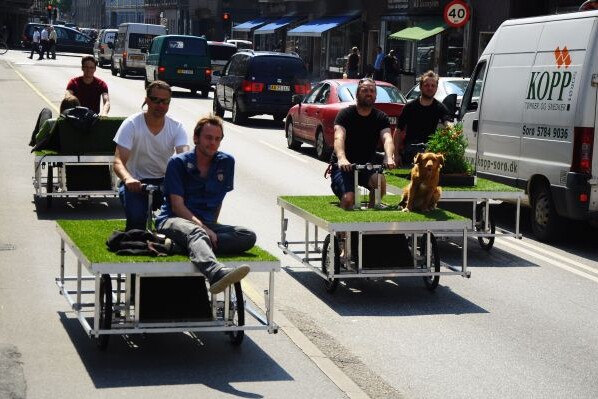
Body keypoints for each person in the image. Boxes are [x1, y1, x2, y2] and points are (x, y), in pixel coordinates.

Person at [155, 114, 255, 295]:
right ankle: (215, 273)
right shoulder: (178, 162)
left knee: (247, 235)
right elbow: (177, 206)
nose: (213, 143)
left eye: (217, 139)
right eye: (208, 138)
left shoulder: (226, 162)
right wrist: (205, 230)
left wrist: (212, 228)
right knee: (197, 232)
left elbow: (219, 199)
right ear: (196, 138)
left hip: (204, 224)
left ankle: (186, 246)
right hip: (172, 220)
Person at [113, 80, 189, 231]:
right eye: (155, 100)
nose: (160, 105)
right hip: (136, 183)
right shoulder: (132, 124)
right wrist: (128, 179)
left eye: (165, 101)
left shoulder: (176, 126)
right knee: (137, 222)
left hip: (165, 182)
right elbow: (118, 162)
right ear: (146, 100)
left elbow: (184, 157)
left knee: (178, 222)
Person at [329, 78, 396, 210]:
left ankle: (369, 217)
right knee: (349, 199)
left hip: (367, 167)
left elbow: (387, 138)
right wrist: (342, 158)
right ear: (357, 93)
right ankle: (343, 230)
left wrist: (388, 156)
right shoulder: (345, 114)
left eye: (372, 91)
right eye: (365, 90)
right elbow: (338, 137)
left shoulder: (380, 117)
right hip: (344, 167)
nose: (369, 93)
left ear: (375, 95)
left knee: (380, 182)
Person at [395, 70, 452, 166]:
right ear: (421, 87)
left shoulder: (440, 107)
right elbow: (398, 130)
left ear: (436, 88)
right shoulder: (409, 107)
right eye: (426, 85)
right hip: (411, 150)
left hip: (430, 149)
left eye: (433, 86)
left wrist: (452, 130)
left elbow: (448, 123)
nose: (430, 88)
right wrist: (395, 154)